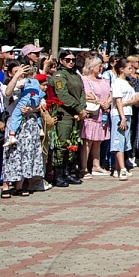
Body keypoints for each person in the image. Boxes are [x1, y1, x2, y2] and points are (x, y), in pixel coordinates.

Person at [1, 74, 47, 197]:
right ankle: (6, 186)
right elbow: (7, 93)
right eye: (17, 73)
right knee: (12, 154)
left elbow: (41, 104)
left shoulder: (31, 88)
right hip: (14, 124)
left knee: (26, 154)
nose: (22, 77)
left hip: (29, 124)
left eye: (23, 75)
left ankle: (20, 186)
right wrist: (16, 77)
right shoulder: (8, 87)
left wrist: (31, 110)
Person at [52, 50, 86, 186]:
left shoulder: (76, 75)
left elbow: (82, 93)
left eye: (73, 60)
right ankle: (58, 175)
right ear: (61, 61)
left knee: (72, 144)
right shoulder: (59, 75)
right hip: (64, 114)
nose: (71, 62)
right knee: (62, 144)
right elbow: (62, 95)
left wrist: (82, 109)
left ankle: (67, 172)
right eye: (67, 59)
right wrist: (77, 108)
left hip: (76, 115)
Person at [79, 55, 111, 177]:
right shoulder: (85, 80)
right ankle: (83, 168)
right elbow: (86, 95)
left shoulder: (104, 80)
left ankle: (96, 165)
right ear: (92, 67)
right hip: (92, 113)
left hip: (103, 114)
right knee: (88, 141)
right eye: (99, 66)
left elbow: (110, 93)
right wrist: (99, 102)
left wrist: (107, 103)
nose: (101, 68)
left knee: (98, 141)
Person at [110, 59, 137, 180]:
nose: (131, 70)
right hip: (119, 115)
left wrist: (128, 103)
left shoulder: (128, 82)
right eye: (129, 68)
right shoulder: (117, 83)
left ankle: (117, 168)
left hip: (128, 113)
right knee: (118, 141)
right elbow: (118, 101)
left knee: (125, 141)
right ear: (121, 69)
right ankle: (122, 169)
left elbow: (134, 99)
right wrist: (122, 118)